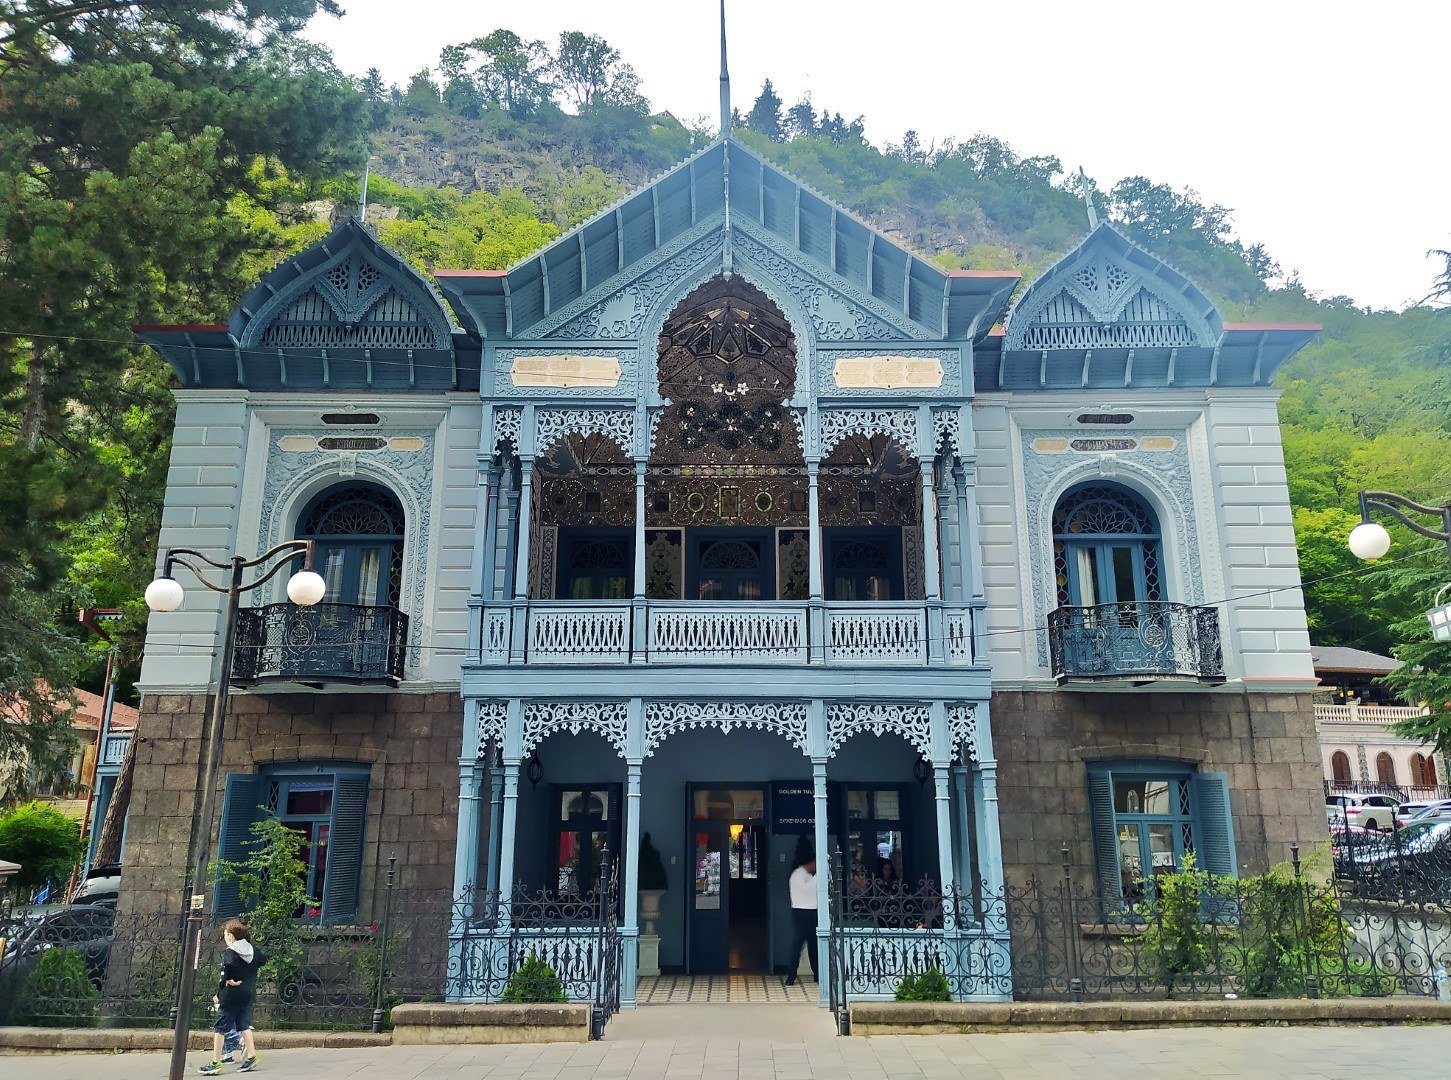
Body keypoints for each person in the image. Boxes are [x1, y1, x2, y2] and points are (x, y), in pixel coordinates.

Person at [199, 918, 263, 1074]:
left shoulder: (231, 951)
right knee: (243, 1025)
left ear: (231, 935)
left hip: (232, 994)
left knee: (220, 1027)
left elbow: (226, 969)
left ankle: (215, 1061)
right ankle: (251, 1056)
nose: (225, 937)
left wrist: (223, 988)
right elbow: (262, 960)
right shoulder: (253, 950)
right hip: (247, 992)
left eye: (225, 934)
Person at [785, 854, 818, 986]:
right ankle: (791, 975)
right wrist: (819, 875)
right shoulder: (797, 875)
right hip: (801, 913)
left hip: (812, 912)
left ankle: (817, 974)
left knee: (814, 945)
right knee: (797, 944)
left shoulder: (809, 876)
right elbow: (805, 889)